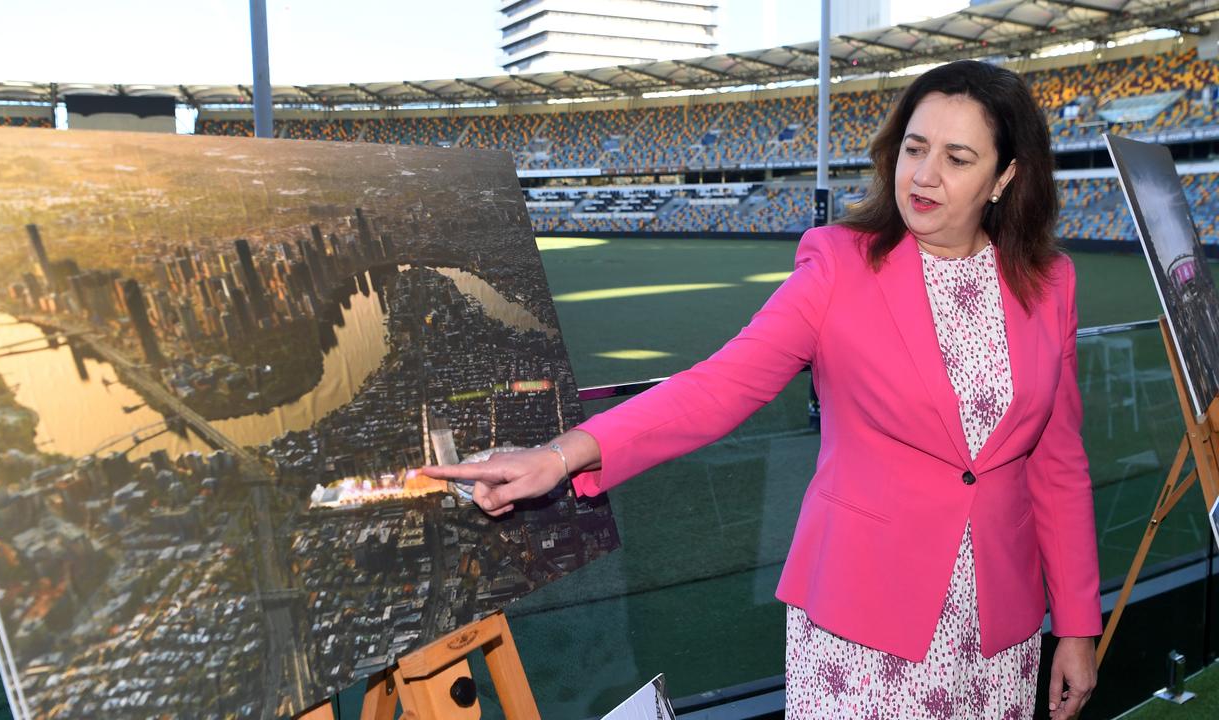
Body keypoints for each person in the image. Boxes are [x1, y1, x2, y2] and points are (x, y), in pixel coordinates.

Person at [421, 60, 1102, 720]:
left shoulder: (1051, 285)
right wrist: (563, 454)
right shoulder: (839, 264)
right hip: (862, 621)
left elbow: (1058, 465)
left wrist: (1076, 625)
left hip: (998, 631)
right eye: (915, 148)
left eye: (957, 159)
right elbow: (720, 386)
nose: (923, 176)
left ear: (1004, 177)